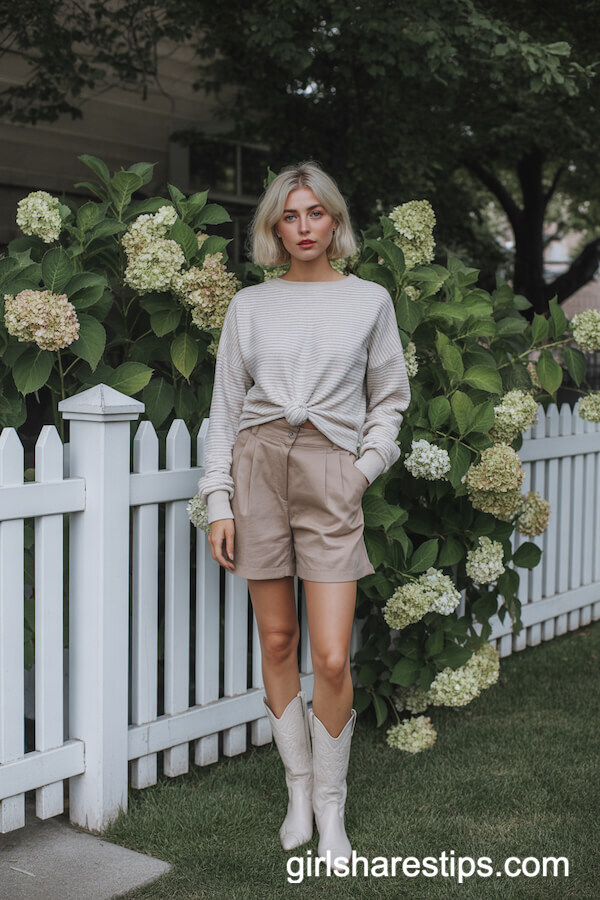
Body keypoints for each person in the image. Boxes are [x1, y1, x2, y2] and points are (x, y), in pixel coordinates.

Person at [197, 160, 411, 870]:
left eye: (315, 212)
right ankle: (297, 790)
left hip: (331, 469)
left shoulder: (370, 300)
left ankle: (332, 806)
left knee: (332, 654)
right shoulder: (250, 306)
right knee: (279, 639)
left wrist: (362, 470)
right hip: (257, 466)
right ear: (275, 229)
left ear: (335, 219)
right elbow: (225, 409)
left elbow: (390, 398)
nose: (304, 227)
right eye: (289, 216)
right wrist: (219, 500)